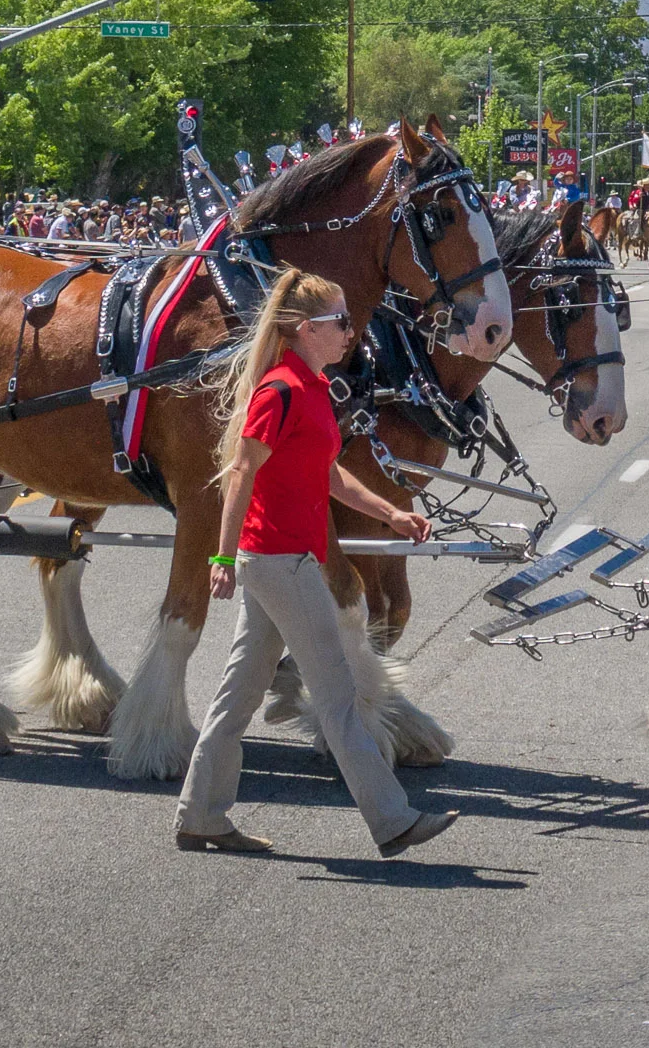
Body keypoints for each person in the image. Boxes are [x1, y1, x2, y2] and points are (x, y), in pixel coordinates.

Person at [175, 268, 456, 860]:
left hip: (284, 559)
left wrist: (393, 514)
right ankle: (393, 819)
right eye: (340, 322)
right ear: (304, 329)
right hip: (280, 561)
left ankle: (200, 815)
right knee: (337, 697)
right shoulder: (279, 391)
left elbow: (331, 476)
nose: (352, 331)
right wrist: (222, 556)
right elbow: (240, 475)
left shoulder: (314, 390)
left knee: (237, 697)